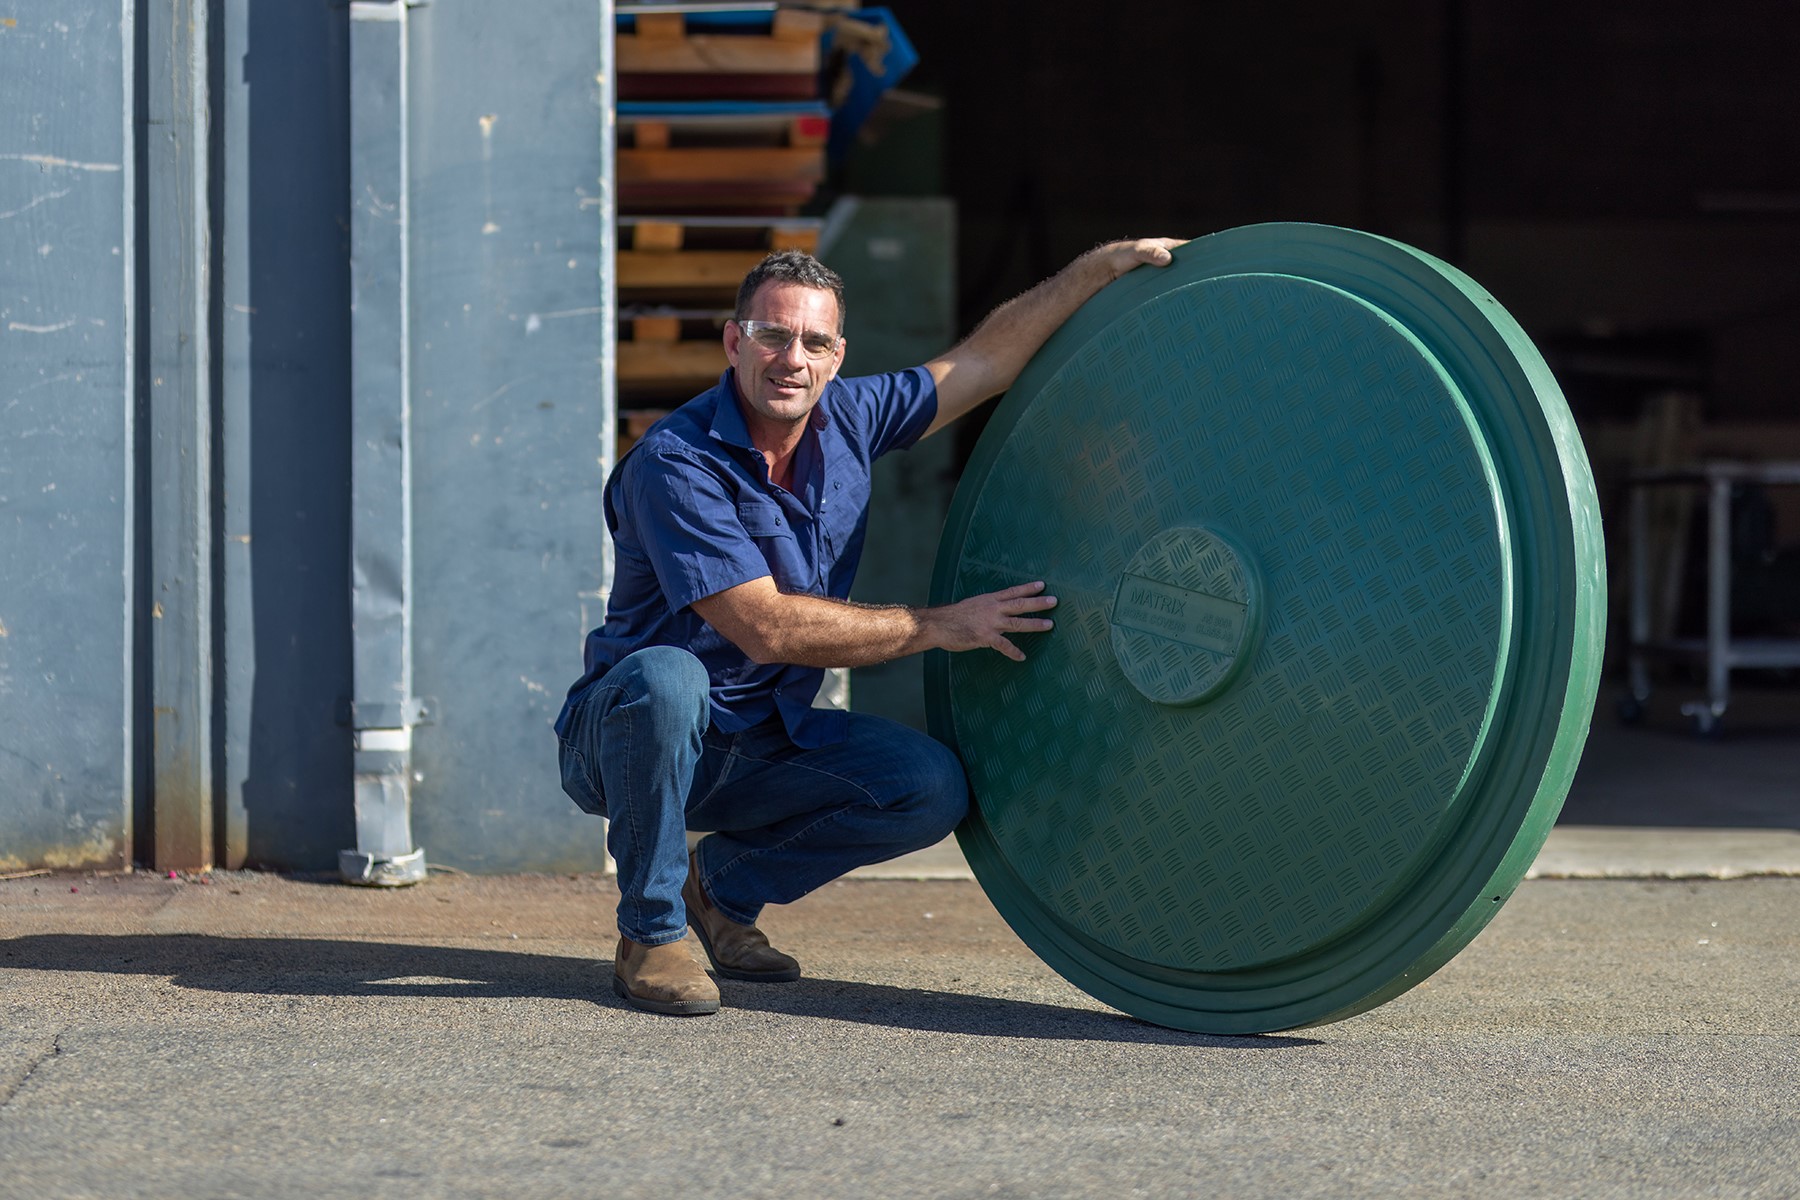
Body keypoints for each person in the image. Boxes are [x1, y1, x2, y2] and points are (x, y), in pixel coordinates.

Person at [556, 237, 1185, 1015]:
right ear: (733, 342)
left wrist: (1098, 268)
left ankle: (719, 890)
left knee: (927, 786)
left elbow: (984, 363)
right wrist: (938, 625)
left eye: (814, 342)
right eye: (772, 336)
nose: (793, 358)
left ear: (836, 355)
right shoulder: (677, 464)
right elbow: (765, 630)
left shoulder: (850, 416)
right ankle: (650, 934)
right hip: (627, 739)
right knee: (668, 676)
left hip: (758, 740)